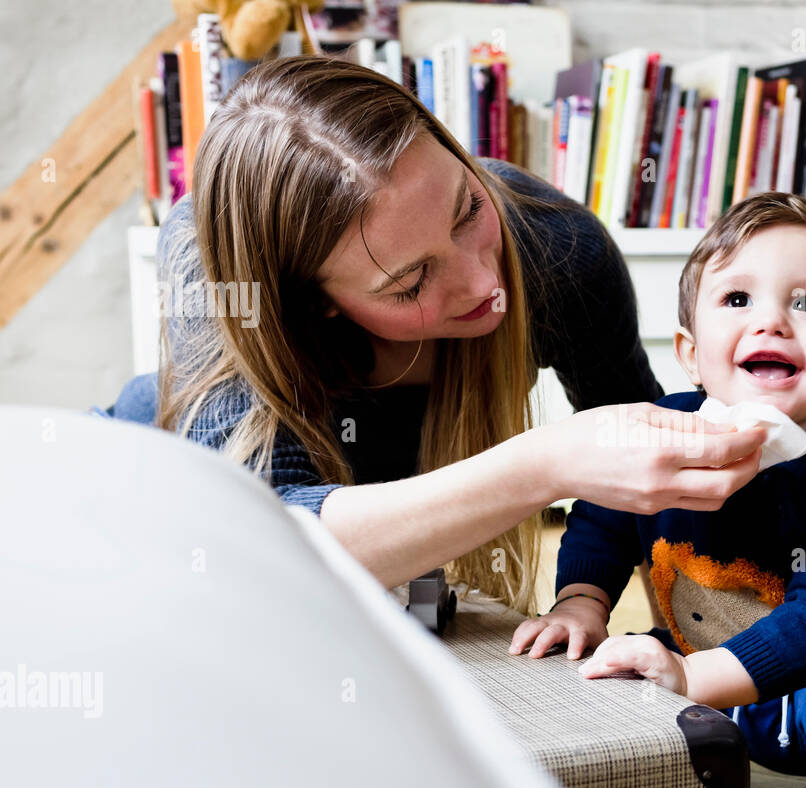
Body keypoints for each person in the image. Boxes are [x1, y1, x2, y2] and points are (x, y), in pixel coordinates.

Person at [97, 56, 766, 613]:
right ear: (314, 304)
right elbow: (270, 538)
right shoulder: (216, 260)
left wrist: (699, 677)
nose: (483, 284)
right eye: (410, 283)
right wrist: (545, 463)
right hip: (137, 505)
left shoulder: (560, 248)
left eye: (468, 209)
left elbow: (655, 495)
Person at [510, 192, 806, 788]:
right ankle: (687, 781)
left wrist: (691, 681)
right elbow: (601, 512)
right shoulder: (660, 430)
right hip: (707, 665)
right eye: (738, 300)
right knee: (608, 669)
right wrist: (581, 602)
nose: (771, 322)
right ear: (689, 350)